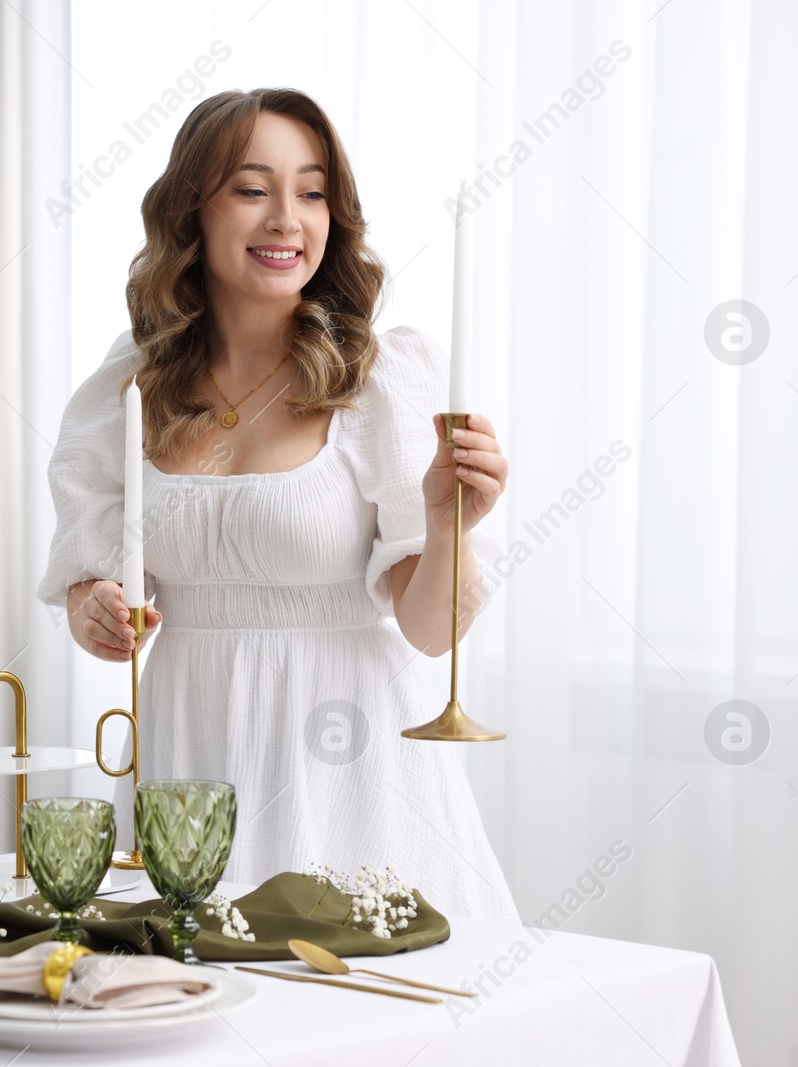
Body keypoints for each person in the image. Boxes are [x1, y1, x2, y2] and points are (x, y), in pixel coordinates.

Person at [34, 88, 519, 924]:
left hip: (352, 757)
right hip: (191, 747)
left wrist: (448, 524)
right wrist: (99, 613)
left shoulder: (380, 377)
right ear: (193, 209)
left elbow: (430, 631)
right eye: (253, 189)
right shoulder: (132, 383)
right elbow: (94, 587)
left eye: (313, 190)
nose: (287, 219)